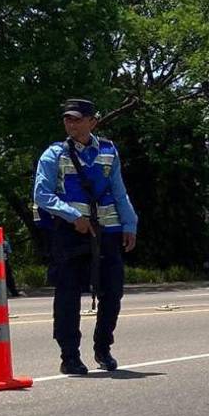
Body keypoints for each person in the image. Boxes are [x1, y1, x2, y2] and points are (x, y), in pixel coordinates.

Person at [33, 98, 138, 375]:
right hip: (71, 232)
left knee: (112, 293)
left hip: (108, 231)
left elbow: (119, 190)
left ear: (93, 121)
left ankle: (103, 348)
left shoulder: (108, 150)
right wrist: (72, 217)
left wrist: (130, 223)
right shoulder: (54, 154)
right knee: (68, 295)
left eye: (77, 119)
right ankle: (69, 355)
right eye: (68, 118)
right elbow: (42, 195)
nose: (71, 123)